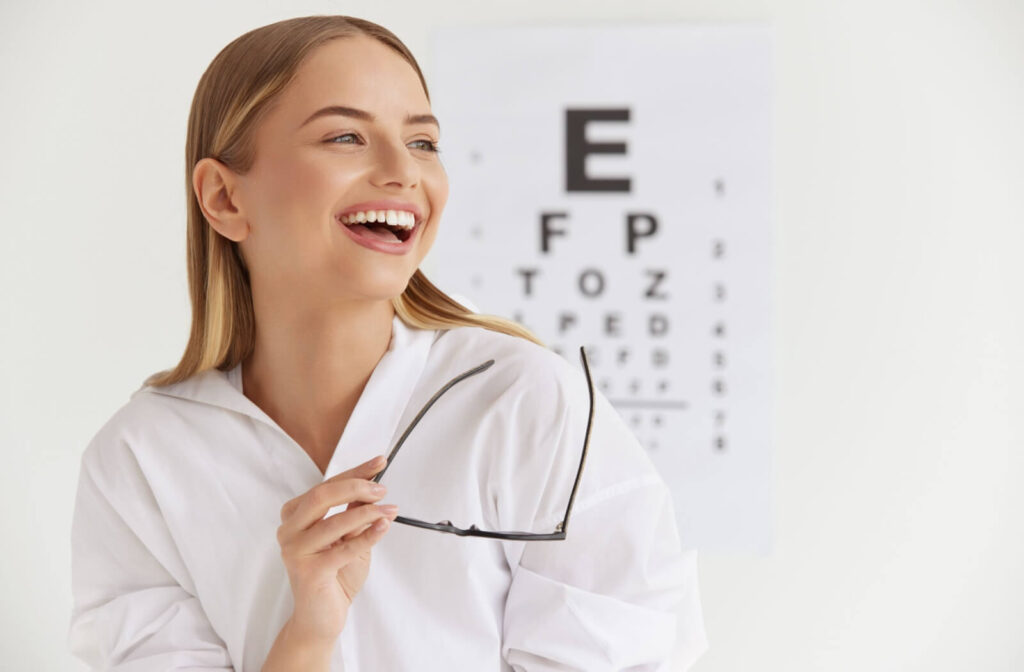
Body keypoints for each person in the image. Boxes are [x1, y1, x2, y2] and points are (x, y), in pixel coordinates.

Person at [67, 15, 708, 672]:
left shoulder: (528, 402)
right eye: (345, 136)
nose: (403, 172)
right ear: (225, 197)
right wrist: (308, 636)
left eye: (424, 142)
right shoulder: (140, 462)